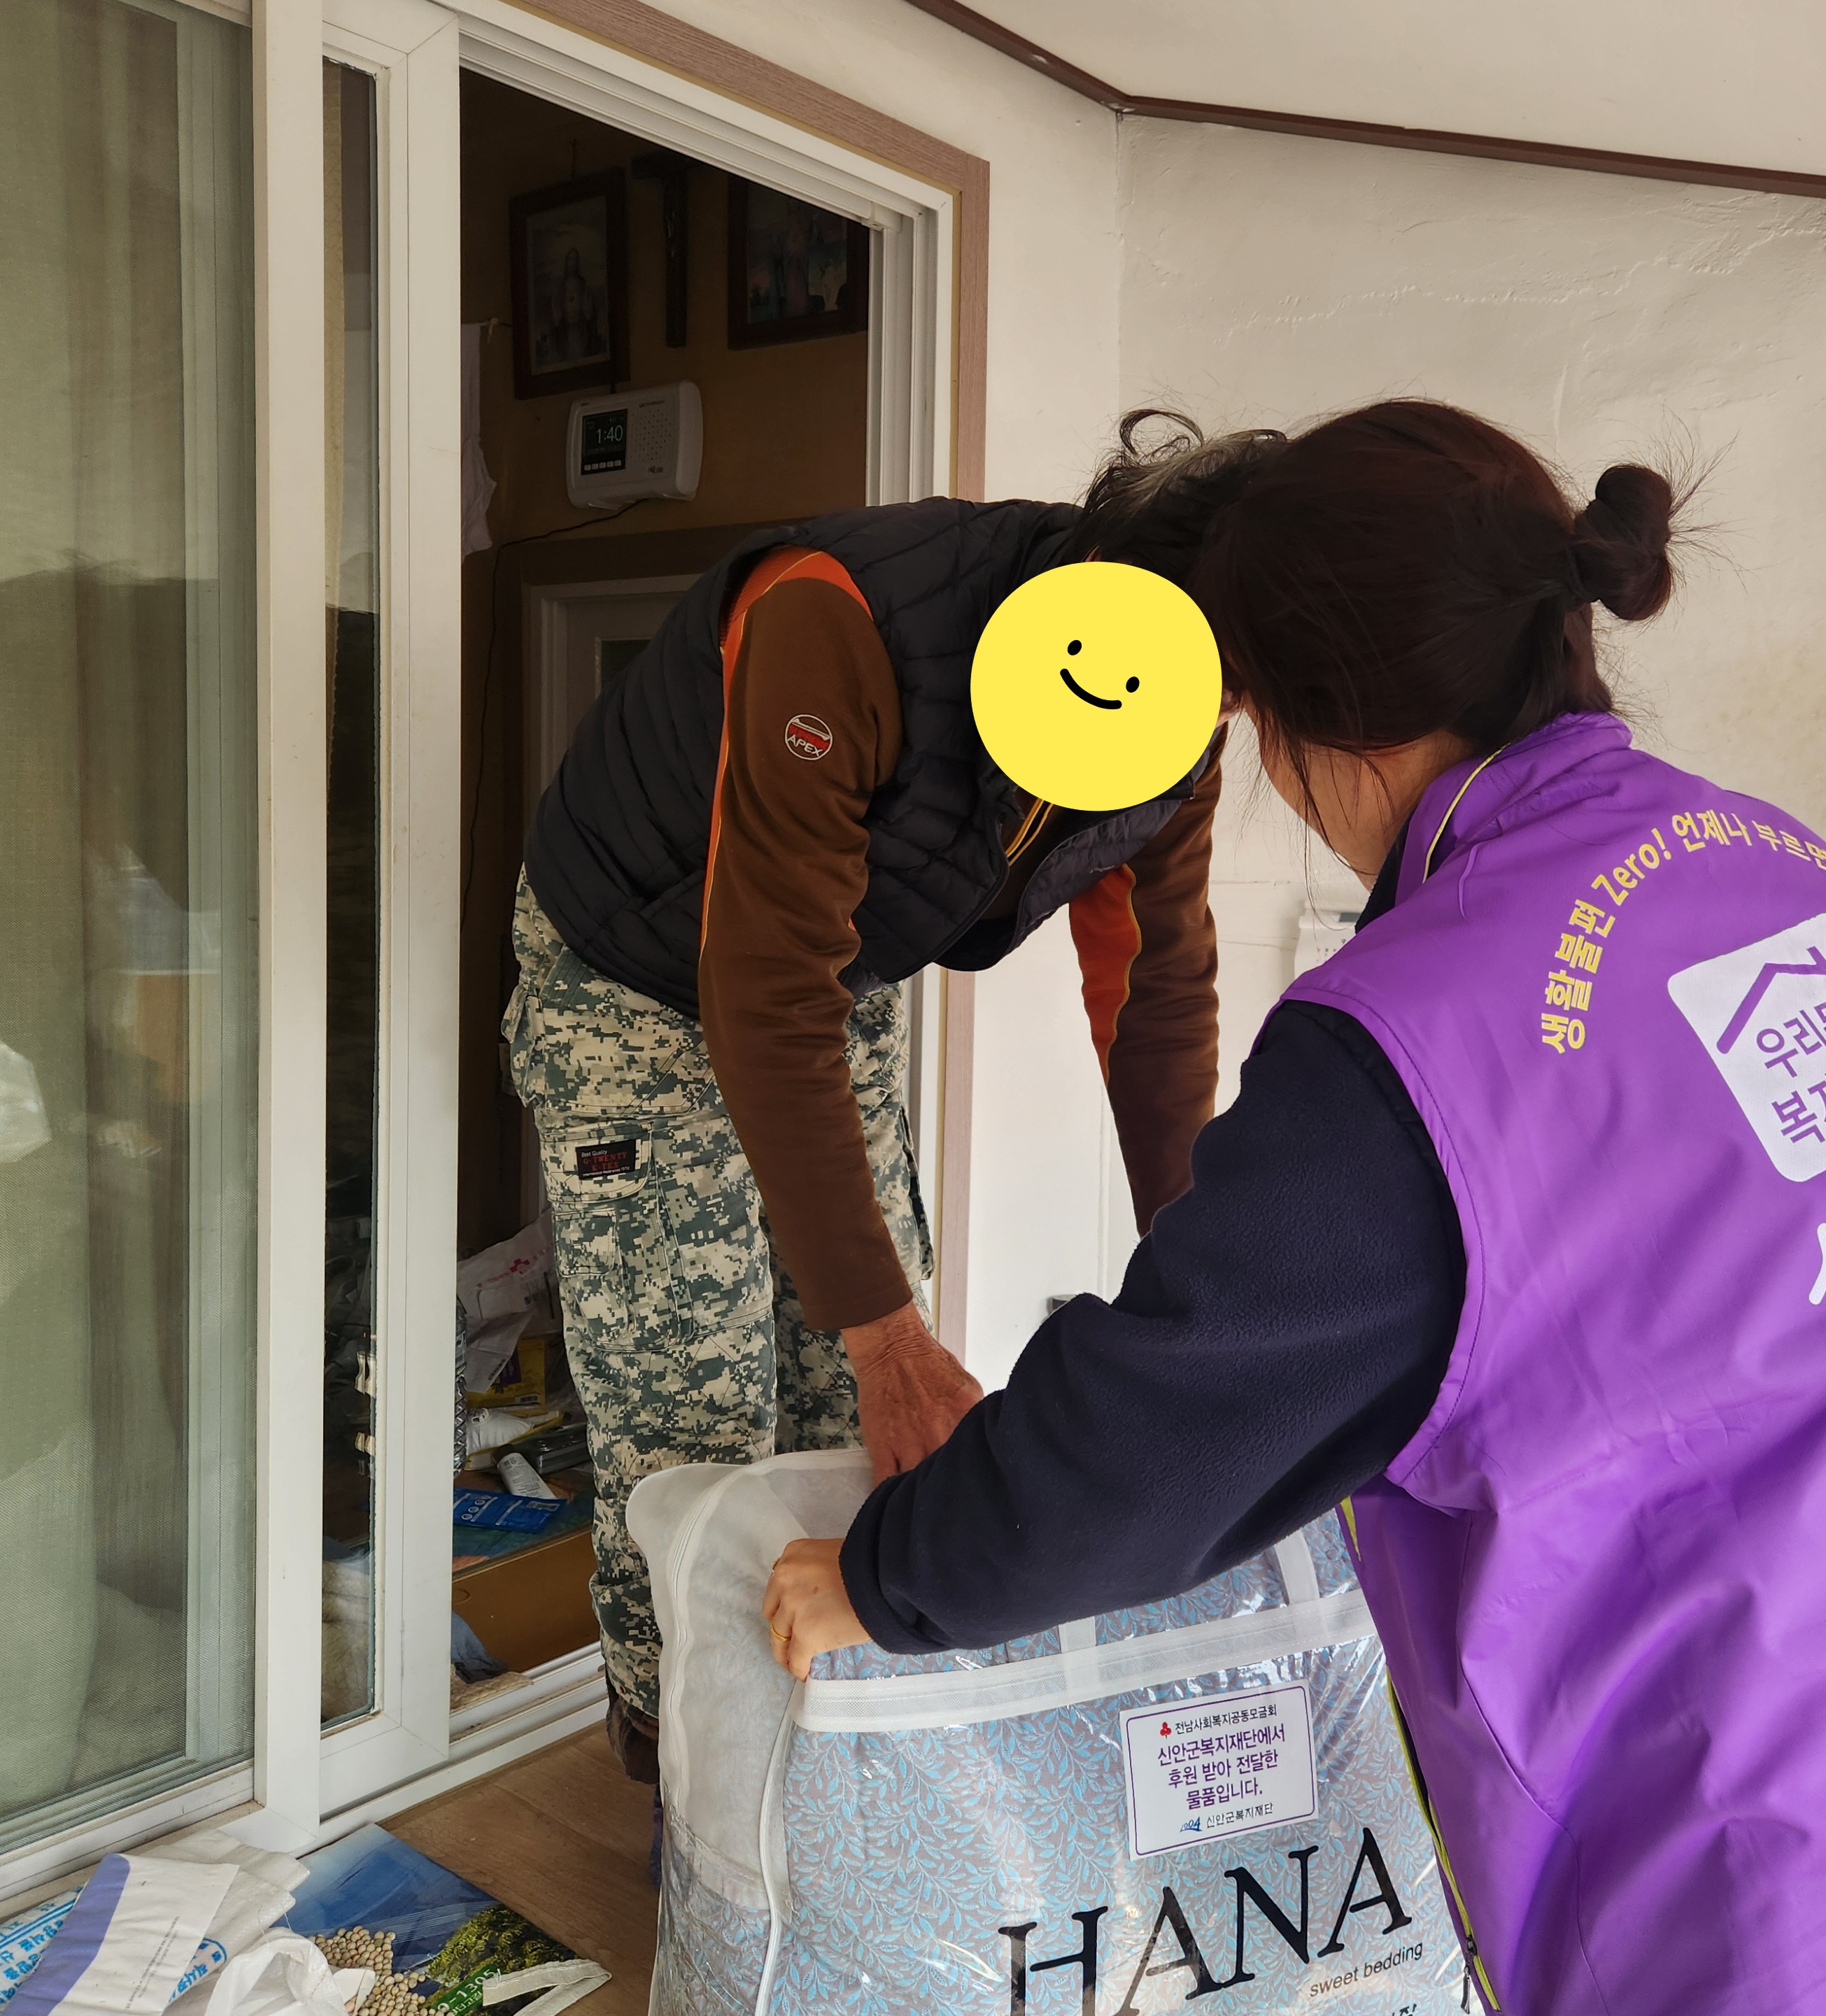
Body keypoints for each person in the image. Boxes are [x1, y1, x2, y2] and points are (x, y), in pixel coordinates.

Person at [764, 401, 1826, 2014]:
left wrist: (884, 1575)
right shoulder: (1784, 870)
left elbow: (1138, 1451)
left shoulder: (1413, 1037)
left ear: (1309, 725)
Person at [509, 414, 1284, 1780]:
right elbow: (759, 996)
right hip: (628, 973)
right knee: (693, 1425)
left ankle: (827, 1775)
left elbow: (1154, 995)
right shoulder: (838, 620)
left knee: (854, 1412)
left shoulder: (1179, 708)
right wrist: (890, 1340)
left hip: (824, 971)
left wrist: (1196, 1280)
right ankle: (680, 1780)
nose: (1222, 716)